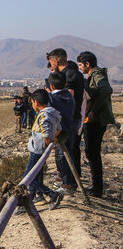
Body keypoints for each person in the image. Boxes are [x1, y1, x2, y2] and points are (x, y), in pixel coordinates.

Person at [17, 89, 64, 213]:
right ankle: (28, 202)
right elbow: (59, 129)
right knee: (34, 177)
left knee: (28, 178)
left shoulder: (44, 115)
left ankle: (52, 194)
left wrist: (48, 144)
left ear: (35, 102)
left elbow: (47, 134)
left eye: (32, 102)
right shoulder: (54, 113)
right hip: (40, 150)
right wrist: (53, 139)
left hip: (38, 150)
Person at [77, 51, 115, 198]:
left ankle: (97, 188)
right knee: (91, 152)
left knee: (92, 153)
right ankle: (96, 186)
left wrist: (93, 110)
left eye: (81, 65)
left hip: (96, 121)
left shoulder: (97, 75)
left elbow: (106, 90)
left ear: (87, 64)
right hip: (96, 120)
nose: (80, 68)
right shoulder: (94, 75)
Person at [47, 48, 86, 180]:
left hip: (69, 119)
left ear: (56, 60)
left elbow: (68, 97)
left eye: (51, 62)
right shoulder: (71, 73)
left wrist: (51, 95)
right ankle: (71, 179)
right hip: (70, 118)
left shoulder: (70, 75)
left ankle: (68, 182)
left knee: (67, 152)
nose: (51, 65)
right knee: (71, 150)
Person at [47, 72, 75, 194]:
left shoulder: (52, 98)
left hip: (59, 132)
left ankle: (66, 184)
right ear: (65, 84)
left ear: (51, 86)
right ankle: (69, 182)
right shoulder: (69, 96)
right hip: (70, 129)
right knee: (69, 156)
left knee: (63, 158)